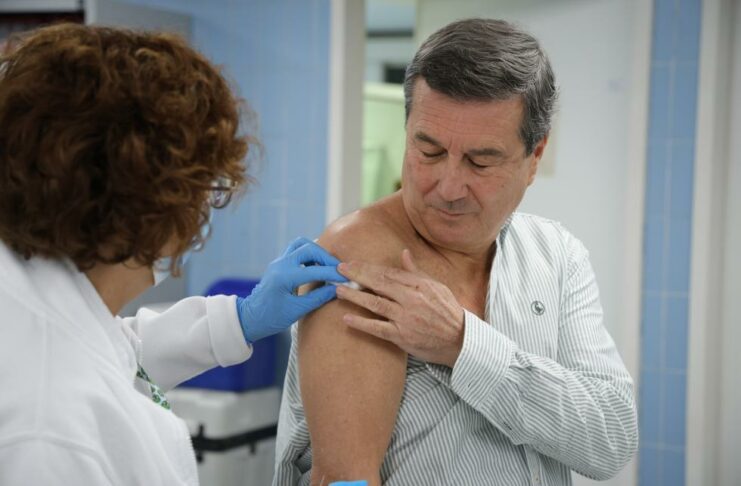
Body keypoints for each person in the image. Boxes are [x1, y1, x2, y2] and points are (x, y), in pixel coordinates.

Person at [274, 18, 638, 485]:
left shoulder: (556, 256)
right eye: (428, 151)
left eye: (480, 162)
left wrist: (465, 346)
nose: (448, 188)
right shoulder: (360, 258)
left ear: (534, 158)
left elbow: (611, 440)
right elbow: (345, 478)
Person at [0, 24, 345, 485]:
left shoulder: (36, 298)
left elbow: (114, 353)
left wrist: (241, 320)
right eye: (203, 188)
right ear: (148, 202)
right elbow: (83, 386)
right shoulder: (49, 430)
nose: (203, 209)